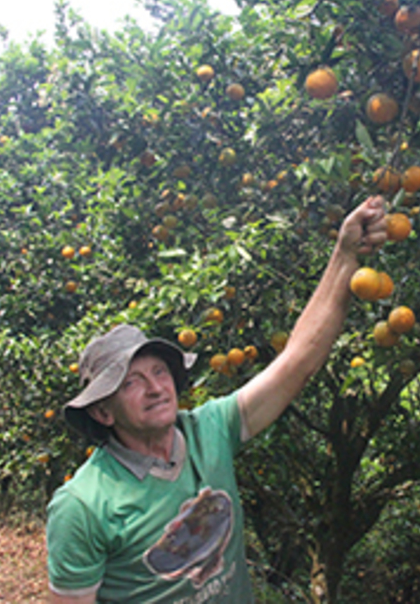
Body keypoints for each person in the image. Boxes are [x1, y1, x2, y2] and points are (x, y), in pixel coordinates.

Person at [46, 196, 388, 603]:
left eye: (159, 371)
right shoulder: (82, 506)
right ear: (102, 411)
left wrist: (346, 253)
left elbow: (297, 362)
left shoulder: (209, 430)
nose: (156, 387)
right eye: (131, 382)